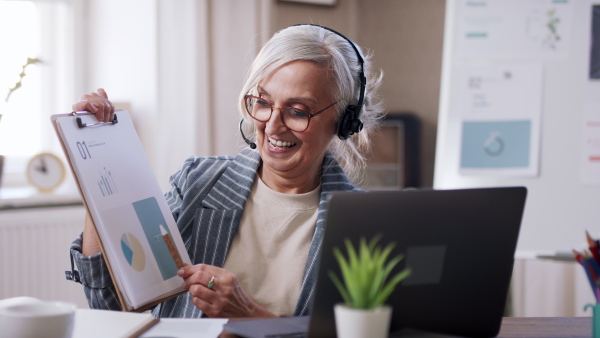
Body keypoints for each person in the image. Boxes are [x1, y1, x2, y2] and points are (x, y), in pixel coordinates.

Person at [69, 24, 384, 319]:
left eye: (297, 111)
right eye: (262, 102)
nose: (272, 125)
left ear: (345, 120)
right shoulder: (199, 184)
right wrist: (96, 165)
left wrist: (250, 317)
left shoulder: (364, 224)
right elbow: (109, 306)